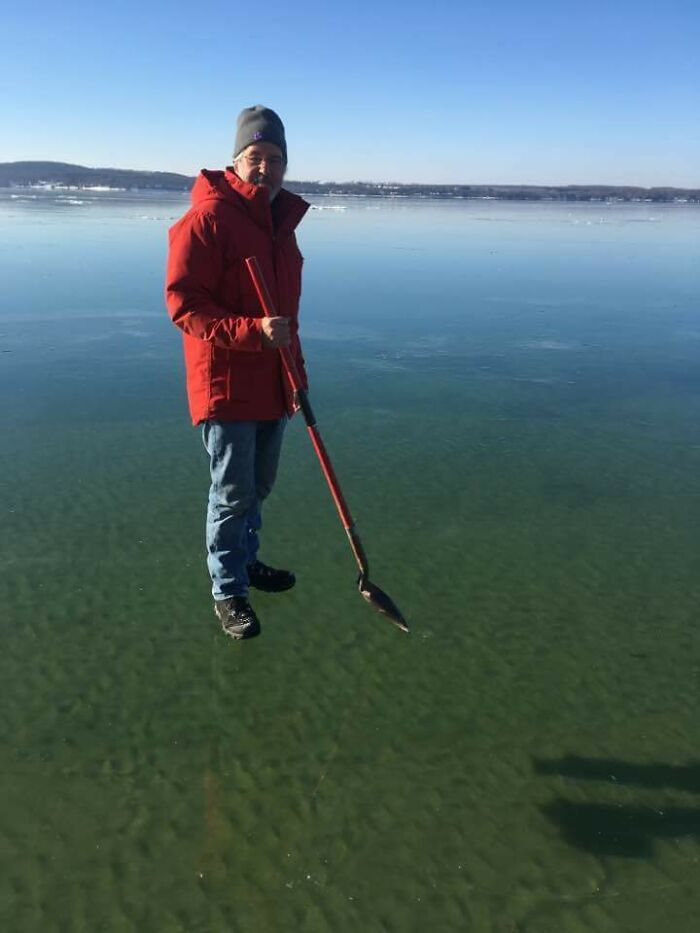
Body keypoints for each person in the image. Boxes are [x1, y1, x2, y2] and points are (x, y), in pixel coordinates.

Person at [165, 105, 309, 640]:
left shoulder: (281, 228)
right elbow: (184, 304)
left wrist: (297, 374)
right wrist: (251, 332)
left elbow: (288, 320)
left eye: (275, 159)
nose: (266, 168)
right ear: (236, 160)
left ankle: (246, 561)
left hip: (274, 381)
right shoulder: (208, 219)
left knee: (258, 486)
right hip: (225, 383)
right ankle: (228, 591)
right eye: (256, 157)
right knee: (231, 493)